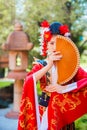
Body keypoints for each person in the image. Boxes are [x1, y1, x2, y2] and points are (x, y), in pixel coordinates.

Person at [18, 20, 87, 130]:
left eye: (58, 43)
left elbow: (85, 81)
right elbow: (29, 81)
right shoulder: (41, 64)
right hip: (44, 112)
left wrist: (65, 88)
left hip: (63, 114)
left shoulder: (73, 66)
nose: (55, 47)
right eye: (51, 43)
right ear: (46, 45)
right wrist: (49, 64)